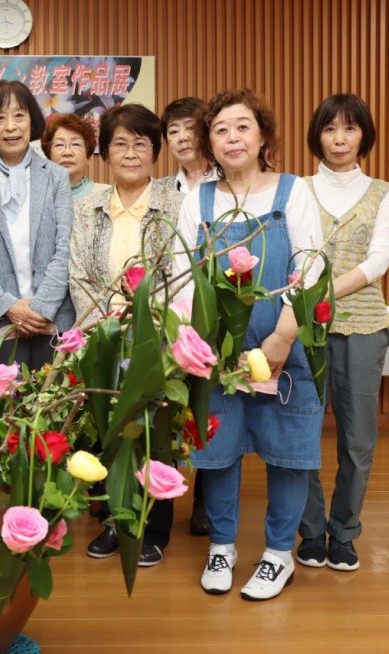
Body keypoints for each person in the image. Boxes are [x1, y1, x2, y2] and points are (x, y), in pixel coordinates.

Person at [172, 89, 325, 601]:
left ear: (262, 136)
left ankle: (279, 554)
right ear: (209, 145)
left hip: (282, 347)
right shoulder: (199, 198)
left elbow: (311, 265)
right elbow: (181, 271)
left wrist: (283, 335)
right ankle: (222, 546)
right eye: (220, 129)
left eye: (242, 126)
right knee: (219, 449)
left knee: (288, 451)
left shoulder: (293, 191)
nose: (232, 137)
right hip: (216, 352)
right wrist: (191, 342)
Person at [68, 103, 183, 567]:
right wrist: (107, 324)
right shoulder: (88, 207)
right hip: (102, 333)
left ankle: (153, 527)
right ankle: (116, 520)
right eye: (120, 143)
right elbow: (80, 275)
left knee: (156, 432)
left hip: (156, 334)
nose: (130, 152)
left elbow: (180, 273)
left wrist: (146, 323)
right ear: (106, 152)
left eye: (141, 143)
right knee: (109, 430)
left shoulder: (176, 205)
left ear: (155, 151)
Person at [295, 94, 389, 572]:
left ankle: (344, 533)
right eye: (330, 129)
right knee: (302, 432)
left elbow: (378, 261)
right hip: (303, 328)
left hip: (363, 326)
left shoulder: (382, 190)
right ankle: (311, 531)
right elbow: (294, 254)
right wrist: (307, 303)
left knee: (357, 439)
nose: (339, 139)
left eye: (350, 129)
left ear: (364, 136)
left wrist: (323, 294)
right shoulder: (298, 189)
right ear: (317, 134)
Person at [0, 80, 75, 369]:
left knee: (56, 409)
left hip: (54, 320)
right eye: (0, 117)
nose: (11, 126)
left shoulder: (56, 177)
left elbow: (66, 247)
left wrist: (41, 309)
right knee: (4, 410)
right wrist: (9, 307)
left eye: (19, 115)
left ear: (31, 121)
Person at [158, 97, 218, 538]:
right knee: (172, 408)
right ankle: (167, 495)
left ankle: (207, 502)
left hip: (217, 314)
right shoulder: (162, 190)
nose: (181, 137)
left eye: (188, 128)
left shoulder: (229, 183)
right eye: (172, 131)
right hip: (170, 315)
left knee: (213, 412)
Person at [40, 113, 106, 202]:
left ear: (88, 156)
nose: (67, 152)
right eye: (59, 145)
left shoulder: (105, 195)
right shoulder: (33, 197)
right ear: (48, 156)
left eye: (76, 144)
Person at [158, 97, 218, 194]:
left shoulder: (228, 180)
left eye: (190, 128)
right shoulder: (161, 190)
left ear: (207, 132)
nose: (182, 138)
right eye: (174, 131)